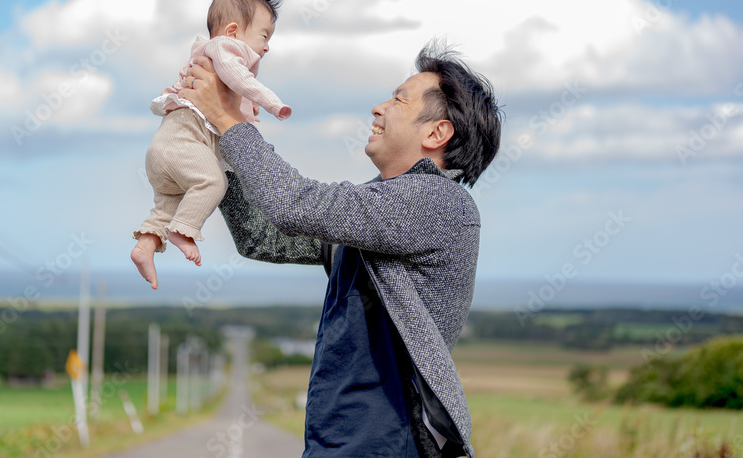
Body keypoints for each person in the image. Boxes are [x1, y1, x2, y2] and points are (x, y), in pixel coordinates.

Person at [177, 38, 502, 458]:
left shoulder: (438, 203)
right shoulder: (380, 209)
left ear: (437, 133)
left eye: (399, 100)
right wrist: (213, 139)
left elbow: (293, 204)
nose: (379, 108)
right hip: (337, 441)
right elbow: (262, 235)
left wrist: (226, 117)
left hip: (386, 445)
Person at [131, 0, 292, 290]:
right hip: (182, 143)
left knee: (167, 204)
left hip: (165, 151)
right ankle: (183, 230)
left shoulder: (204, 57)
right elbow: (241, 79)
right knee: (212, 183)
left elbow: (229, 110)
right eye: (264, 35)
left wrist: (245, 106)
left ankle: (145, 246)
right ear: (233, 32)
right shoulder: (224, 49)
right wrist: (273, 102)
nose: (267, 46)